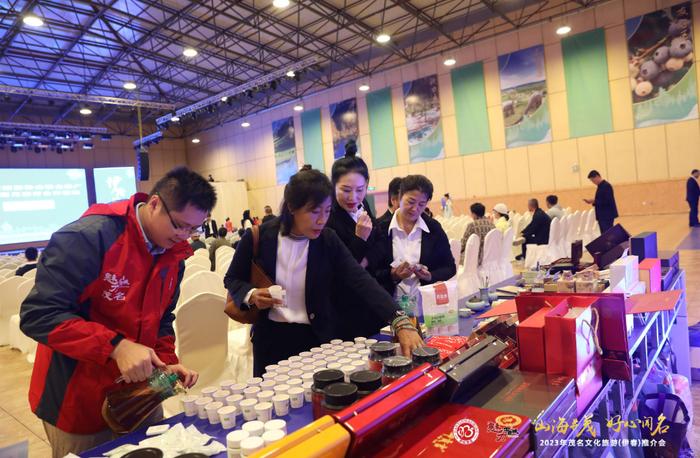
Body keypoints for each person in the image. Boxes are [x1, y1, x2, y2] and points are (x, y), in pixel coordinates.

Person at [19, 167, 216, 458]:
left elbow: (161, 320)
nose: (185, 236)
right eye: (179, 225)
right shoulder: (89, 238)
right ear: (154, 204)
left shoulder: (174, 254)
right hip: (77, 400)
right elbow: (39, 314)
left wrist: (166, 363)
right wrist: (116, 347)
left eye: (193, 229)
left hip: (140, 398)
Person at [224, 168, 423, 376]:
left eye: (327, 211)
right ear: (292, 206)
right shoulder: (259, 236)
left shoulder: (328, 240)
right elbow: (232, 278)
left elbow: (361, 280)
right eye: (314, 211)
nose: (322, 220)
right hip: (271, 341)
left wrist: (399, 321)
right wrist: (251, 294)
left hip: (316, 341)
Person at [325, 140, 385, 338]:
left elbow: (380, 243)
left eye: (360, 190)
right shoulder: (327, 218)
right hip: (344, 308)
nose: (353, 197)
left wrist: (364, 260)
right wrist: (360, 239)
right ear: (333, 186)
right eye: (346, 190)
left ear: (366, 185)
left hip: (369, 298)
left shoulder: (363, 205)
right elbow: (339, 269)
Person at [374, 175, 456, 301]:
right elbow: (371, 271)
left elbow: (450, 267)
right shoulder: (381, 228)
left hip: (425, 306)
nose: (415, 209)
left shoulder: (433, 228)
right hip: (389, 306)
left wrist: (430, 276)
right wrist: (393, 275)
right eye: (411, 202)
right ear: (399, 198)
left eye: (421, 204)